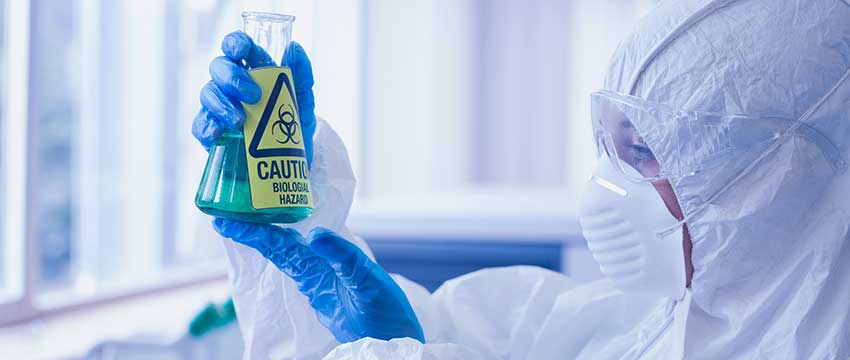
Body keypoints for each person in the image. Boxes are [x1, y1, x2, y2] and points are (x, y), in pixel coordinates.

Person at [191, 0, 850, 358]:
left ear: (778, 187)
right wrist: (293, 194)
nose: (606, 184)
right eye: (608, 141)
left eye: (644, 151)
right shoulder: (648, 321)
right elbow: (494, 335)